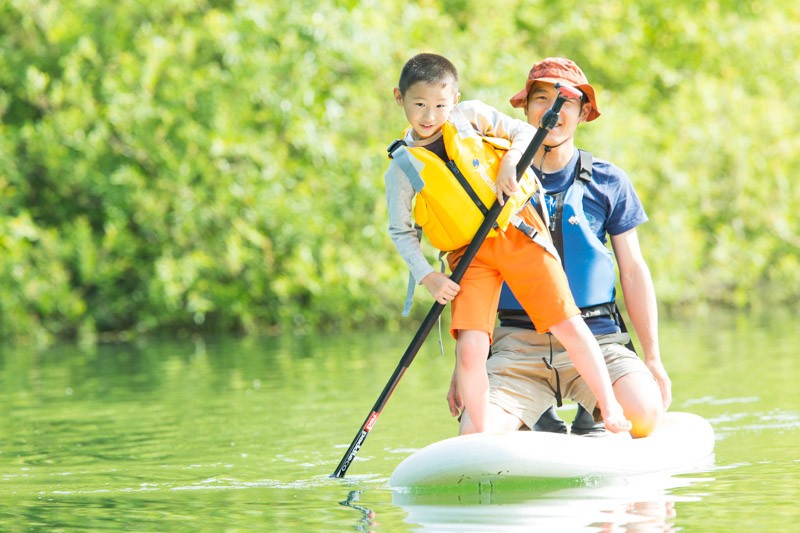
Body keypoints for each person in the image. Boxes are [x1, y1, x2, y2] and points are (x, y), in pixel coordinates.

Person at [385, 53, 632, 435]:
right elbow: (401, 232)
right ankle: (481, 435)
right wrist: (428, 277)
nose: (429, 115)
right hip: (469, 257)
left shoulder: (469, 116)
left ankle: (609, 406)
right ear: (399, 99)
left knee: (567, 323)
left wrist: (509, 162)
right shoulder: (401, 166)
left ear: (454, 99)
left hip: (517, 232)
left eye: (438, 105)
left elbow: (522, 133)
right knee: (469, 349)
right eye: (419, 105)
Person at [447, 57, 671, 438]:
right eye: (541, 98)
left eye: (564, 101)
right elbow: (474, 269)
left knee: (645, 414)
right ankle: (534, 414)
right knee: (474, 434)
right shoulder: (490, 178)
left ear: (583, 112)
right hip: (516, 346)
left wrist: (652, 357)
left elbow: (633, 270)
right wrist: (465, 363)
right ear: (526, 108)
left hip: (597, 337)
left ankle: (593, 408)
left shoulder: (608, 180)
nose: (552, 110)